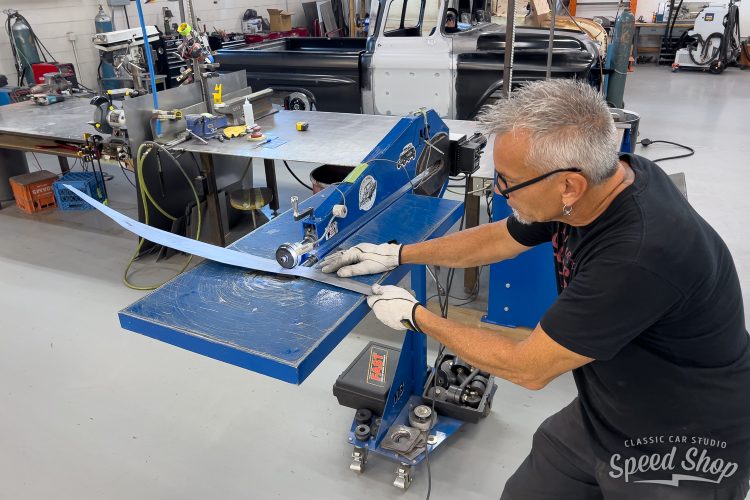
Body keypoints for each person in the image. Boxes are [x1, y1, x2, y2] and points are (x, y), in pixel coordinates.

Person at [321, 79, 750, 499]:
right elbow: (500, 238)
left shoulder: (636, 257)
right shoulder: (603, 182)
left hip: (685, 442)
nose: (499, 190)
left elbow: (529, 368)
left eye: (507, 181)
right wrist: (398, 254)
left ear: (569, 185)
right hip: (609, 408)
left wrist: (416, 317)